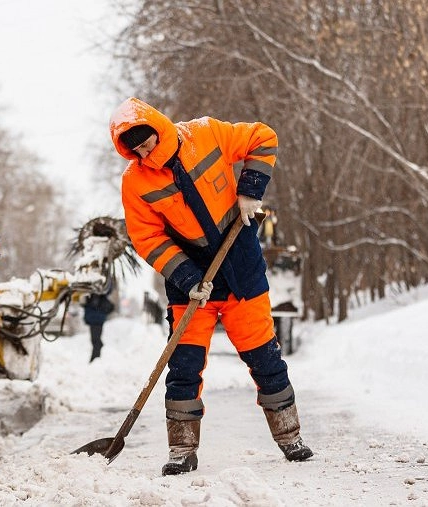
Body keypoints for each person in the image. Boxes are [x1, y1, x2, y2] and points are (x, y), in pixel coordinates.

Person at [109, 97, 313, 476]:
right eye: (135, 151)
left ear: (158, 129)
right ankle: (181, 450)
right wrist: (187, 278)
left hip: (241, 273)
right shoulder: (135, 181)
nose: (144, 154)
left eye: (147, 144)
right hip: (190, 286)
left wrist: (251, 189)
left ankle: (290, 436)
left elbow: (262, 137)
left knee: (264, 358)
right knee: (184, 367)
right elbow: (147, 238)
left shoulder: (206, 134)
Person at [82, 291, 115, 362]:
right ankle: (95, 357)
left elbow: (111, 307)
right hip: (96, 321)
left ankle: (95, 358)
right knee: (95, 340)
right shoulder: (99, 297)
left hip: (96, 321)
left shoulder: (97, 297)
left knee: (95, 340)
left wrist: (101, 313)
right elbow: (111, 308)